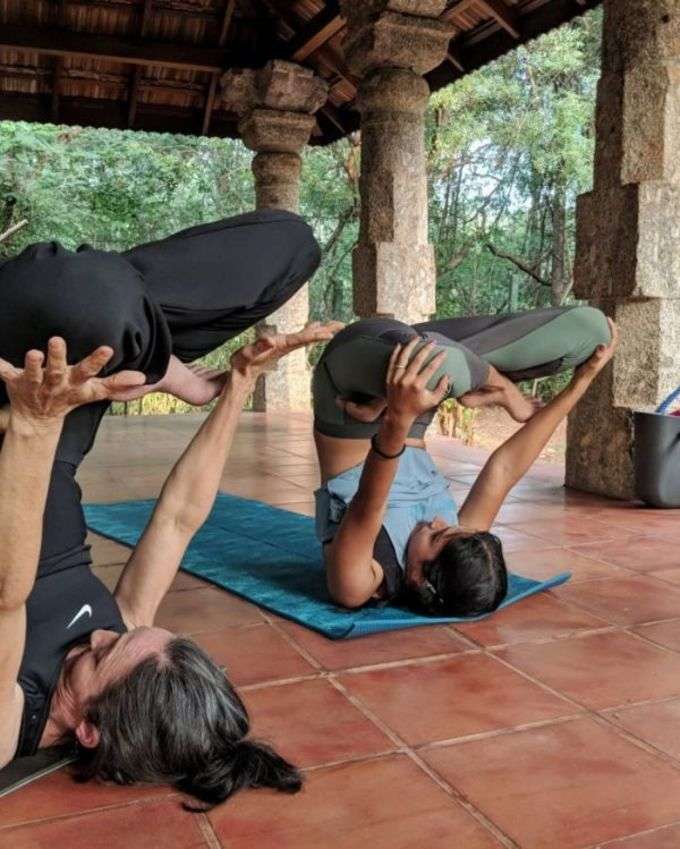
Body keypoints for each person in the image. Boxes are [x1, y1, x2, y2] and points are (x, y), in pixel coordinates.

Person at [0, 209, 334, 807]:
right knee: (287, 249)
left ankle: (143, 346)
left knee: (84, 299)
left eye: (100, 651)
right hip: (57, 410)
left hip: (28, 415)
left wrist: (31, 425)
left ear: (91, 729)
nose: (104, 631)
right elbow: (180, 517)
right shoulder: (128, 642)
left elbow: (7, 592)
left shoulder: (10, 718)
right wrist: (234, 385)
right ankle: (148, 348)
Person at [312, 307, 618, 616]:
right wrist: (583, 380)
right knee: (591, 331)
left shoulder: (358, 583)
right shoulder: (462, 538)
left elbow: (368, 505)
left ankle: (491, 384)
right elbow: (505, 469)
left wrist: (397, 417)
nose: (440, 522)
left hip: (348, 391)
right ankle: (479, 378)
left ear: (418, 580)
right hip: (417, 386)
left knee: (433, 367)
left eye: (436, 535)